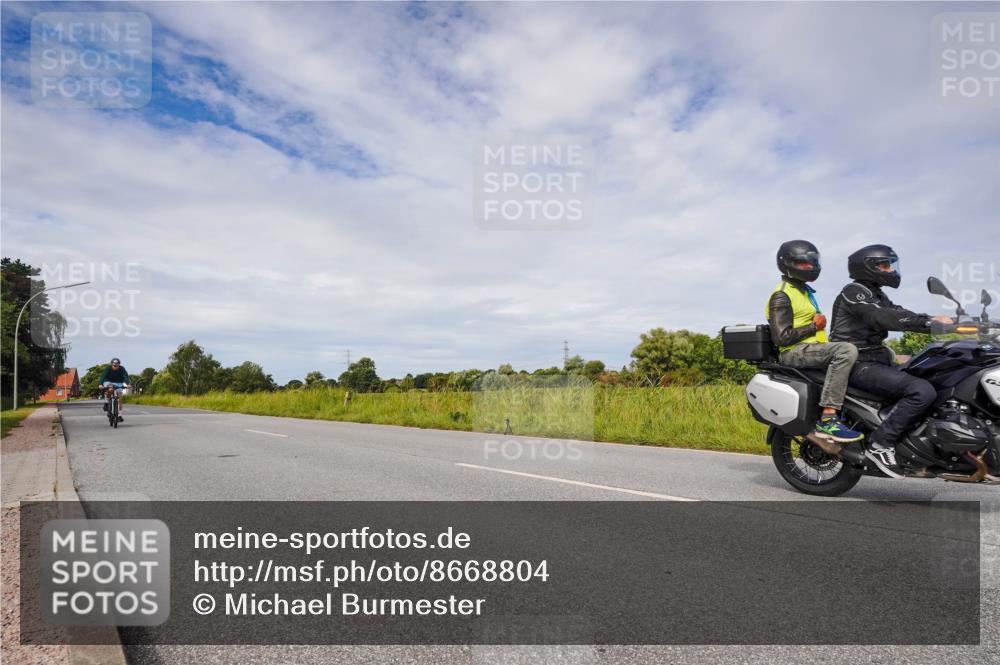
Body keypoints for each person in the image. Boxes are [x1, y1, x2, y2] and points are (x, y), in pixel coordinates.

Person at [830, 244, 952, 477]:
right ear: (869, 267)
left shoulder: (878, 294)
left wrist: (936, 319)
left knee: (933, 375)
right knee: (921, 390)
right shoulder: (854, 292)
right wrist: (929, 324)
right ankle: (880, 444)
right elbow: (882, 317)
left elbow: (900, 311)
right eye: (885, 265)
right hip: (857, 362)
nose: (890, 270)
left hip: (877, 360)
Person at [767, 240, 864, 443]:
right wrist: (814, 327)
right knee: (845, 351)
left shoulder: (804, 291)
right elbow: (781, 337)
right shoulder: (781, 294)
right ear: (788, 263)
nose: (811, 267)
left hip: (811, 349)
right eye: (804, 264)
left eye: (812, 263)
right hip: (793, 352)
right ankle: (828, 418)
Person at [99, 358, 131, 422]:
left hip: (118, 383)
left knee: (120, 398)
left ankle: (119, 415)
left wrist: (128, 384)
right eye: (114, 365)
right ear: (111, 365)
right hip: (108, 381)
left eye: (117, 365)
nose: (115, 366)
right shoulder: (108, 369)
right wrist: (100, 384)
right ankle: (106, 402)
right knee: (110, 389)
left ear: (119, 364)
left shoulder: (122, 369)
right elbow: (103, 376)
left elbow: (125, 376)